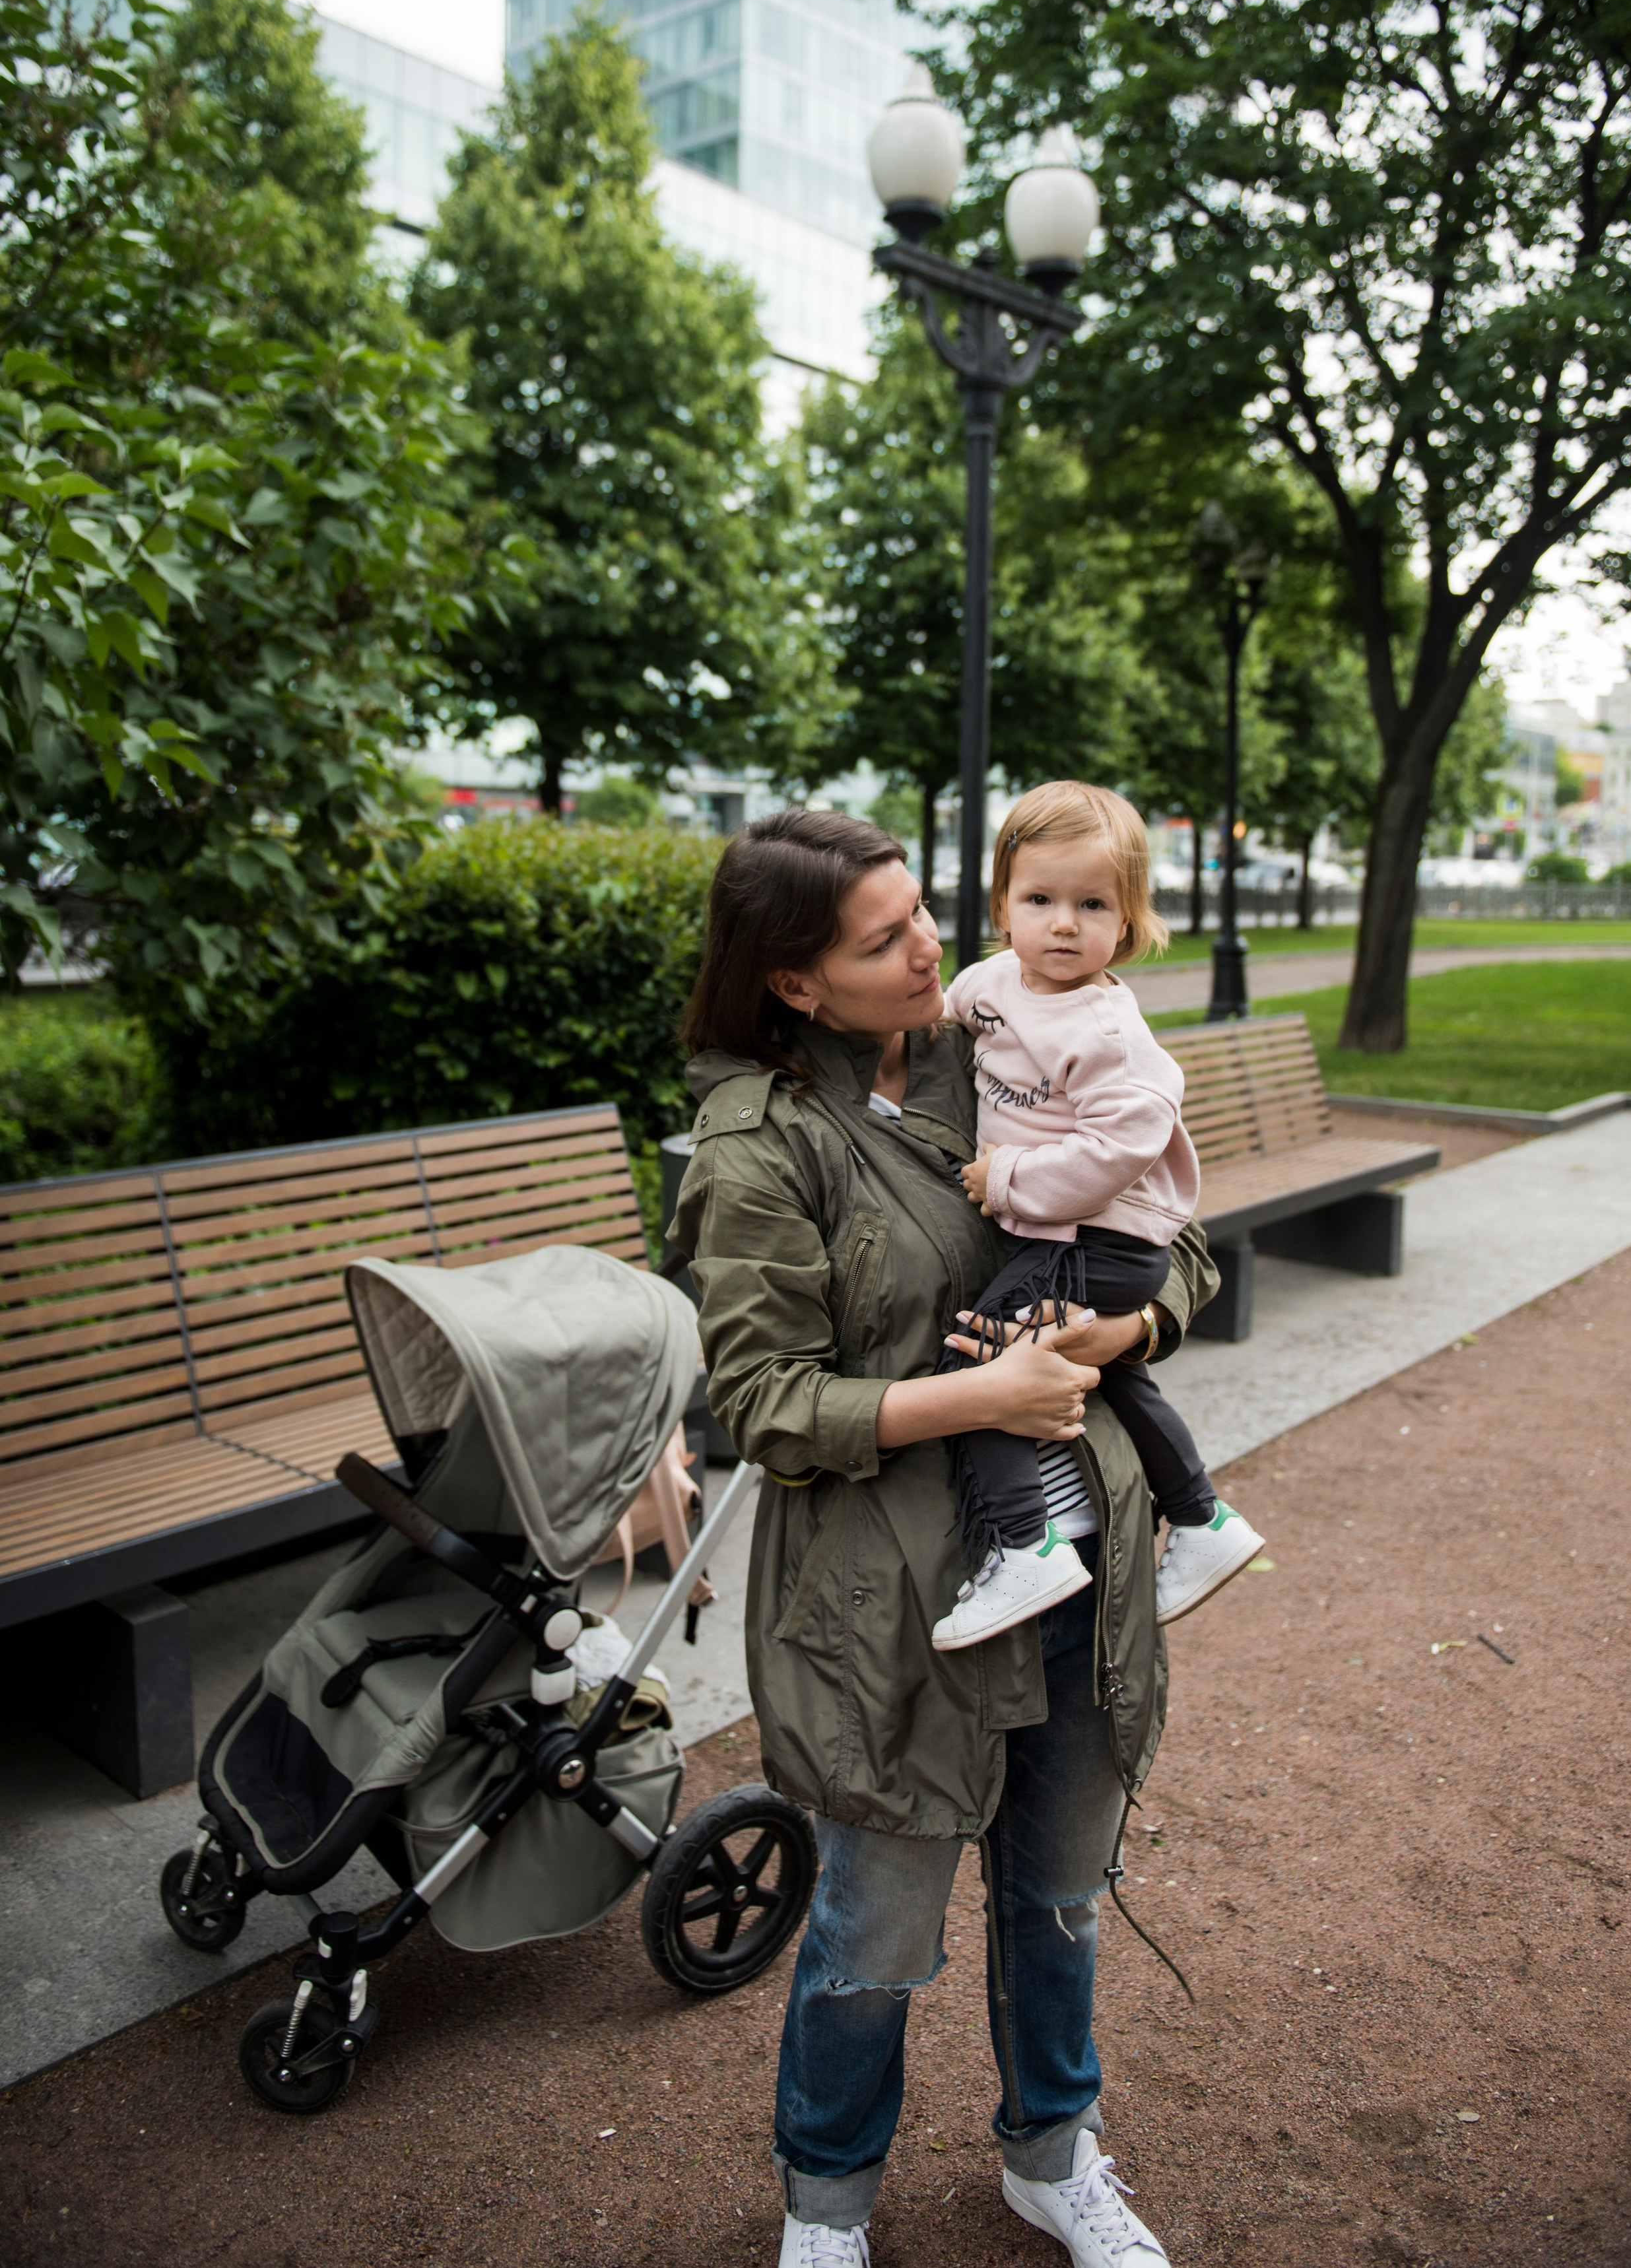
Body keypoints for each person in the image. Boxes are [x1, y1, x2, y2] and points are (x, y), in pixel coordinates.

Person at [669, 807, 1221, 2268]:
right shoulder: (759, 1144)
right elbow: (767, 1403)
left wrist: (1132, 1322)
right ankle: (828, 2210)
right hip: (890, 1604)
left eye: (921, 912)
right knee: (869, 1937)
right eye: (881, 939)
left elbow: (1181, 1223)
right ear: (794, 984)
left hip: (1073, 1566)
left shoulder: (1014, 1031)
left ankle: (1052, 2157)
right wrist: (978, 1390)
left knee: (1056, 1899)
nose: (931, 945)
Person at [931, 782, 1262, 1651]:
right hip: (1067, 1234)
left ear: (1132, 920)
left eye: (1092, 904)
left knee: (983, 1354)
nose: (1064, 924)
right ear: (1003, 903)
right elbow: (945, 1026)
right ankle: (1201, 1518)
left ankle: (1023, 1542)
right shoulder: (992, 981)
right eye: (1040, 899)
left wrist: (1008, 1178)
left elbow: (1118, 1147)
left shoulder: (1110, 1033)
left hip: (1103, 1237)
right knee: (1113, 1372)